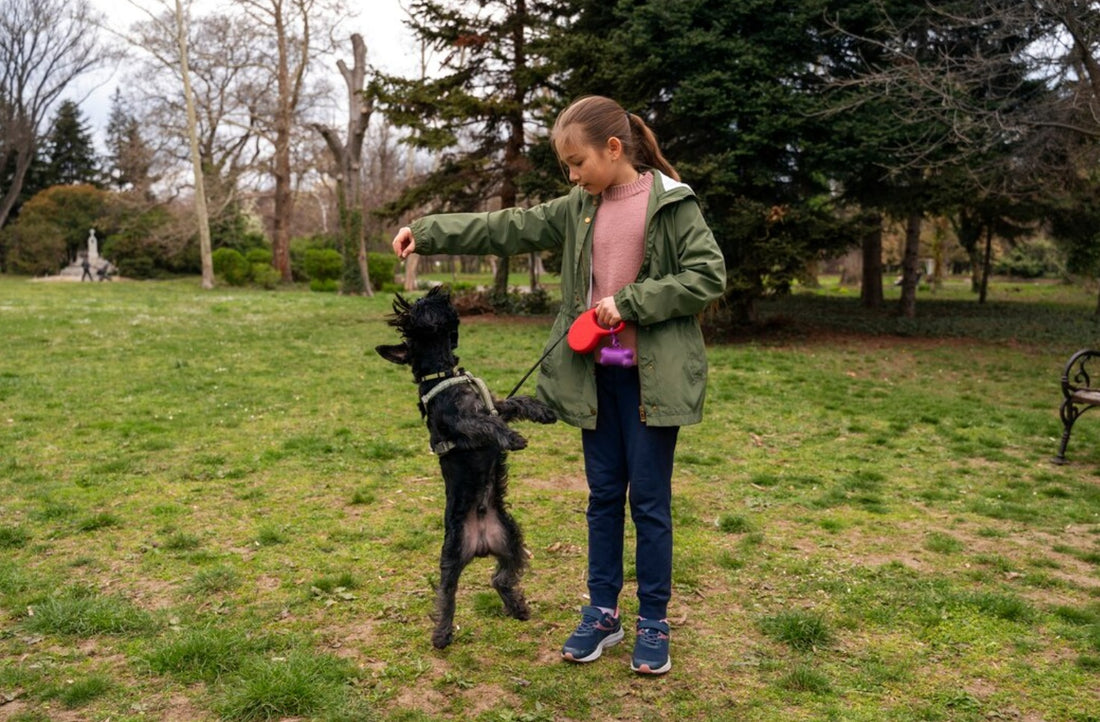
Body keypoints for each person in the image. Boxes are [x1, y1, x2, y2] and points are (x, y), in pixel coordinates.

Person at [390, 95, 726, 675]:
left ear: (613, 149)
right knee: (601, 500)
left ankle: (653, 620)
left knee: (647, 503)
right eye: (567, 168)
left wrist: (628, 302)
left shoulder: (673, 204)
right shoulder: (580, 207)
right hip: (596, 382)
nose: (572, 176)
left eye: (577, 163)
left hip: (654, 383)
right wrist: (426, 231)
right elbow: (506, 226)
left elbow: (706, 275)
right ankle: (602, 612)